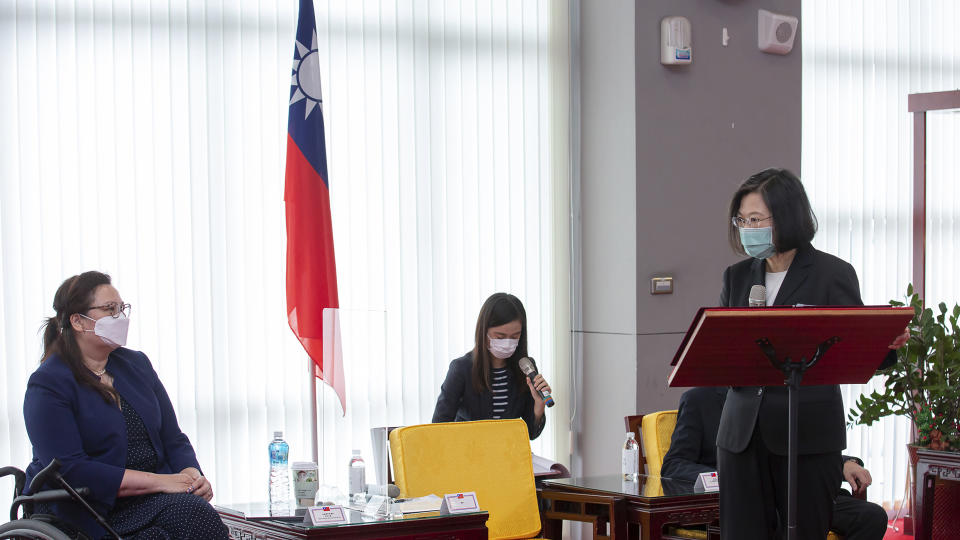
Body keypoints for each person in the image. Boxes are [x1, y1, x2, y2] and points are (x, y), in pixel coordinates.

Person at [716, 168, 907, 539]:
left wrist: (885, 343)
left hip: (807, 435)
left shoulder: (831, 274)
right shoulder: (736, 277)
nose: (746, 228)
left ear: (786, 217)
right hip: (741, 437)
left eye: (756, 219)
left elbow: (856, 353)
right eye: (742, 220)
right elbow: (723, 353)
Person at [23, 271, 229, 539]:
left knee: (193, 512)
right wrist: (163, 483)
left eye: (122, 308)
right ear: (77, 321)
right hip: (85, 509)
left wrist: (191, 476)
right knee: (182, 520)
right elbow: (73, 470)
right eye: (110, 309)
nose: (120, 317)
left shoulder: (136, 365)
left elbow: (173, 438)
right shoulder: (49, 383)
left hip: (151, 501)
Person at [662, 387, 889, 540]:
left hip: (799, 485)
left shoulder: (791, 395)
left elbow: (791, 447)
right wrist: (717, 478)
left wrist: (844, 463)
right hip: (741, 489)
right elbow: (674, 463)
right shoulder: (699, 399)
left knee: (871, 517)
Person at [432, 293, 552, 440]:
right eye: (500, 337)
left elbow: (531, 434)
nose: (507, 342)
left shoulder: (526, 367)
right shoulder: (461, 369)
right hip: (469, 454)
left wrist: (539, 405)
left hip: (507, 454)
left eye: (515, 336)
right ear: (484, 332)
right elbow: (438, 427)